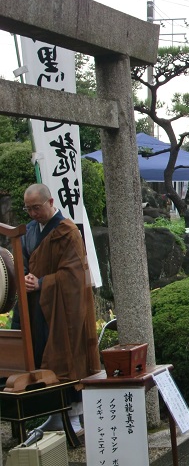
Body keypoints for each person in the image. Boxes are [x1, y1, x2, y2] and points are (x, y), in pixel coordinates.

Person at [12, 183, 100, 434]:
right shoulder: (29, 230)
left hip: (62, 309)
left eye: (36, 208)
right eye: (28, 209)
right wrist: (27, 277)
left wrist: (42, 282)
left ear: (51, 203)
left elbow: (74, 275)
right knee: (41, 356)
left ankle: (72, 416)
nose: (32, 214)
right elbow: (25, 262)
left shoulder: (67, 231)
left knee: (66, 355)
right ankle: (53, 414)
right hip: (38, 307)